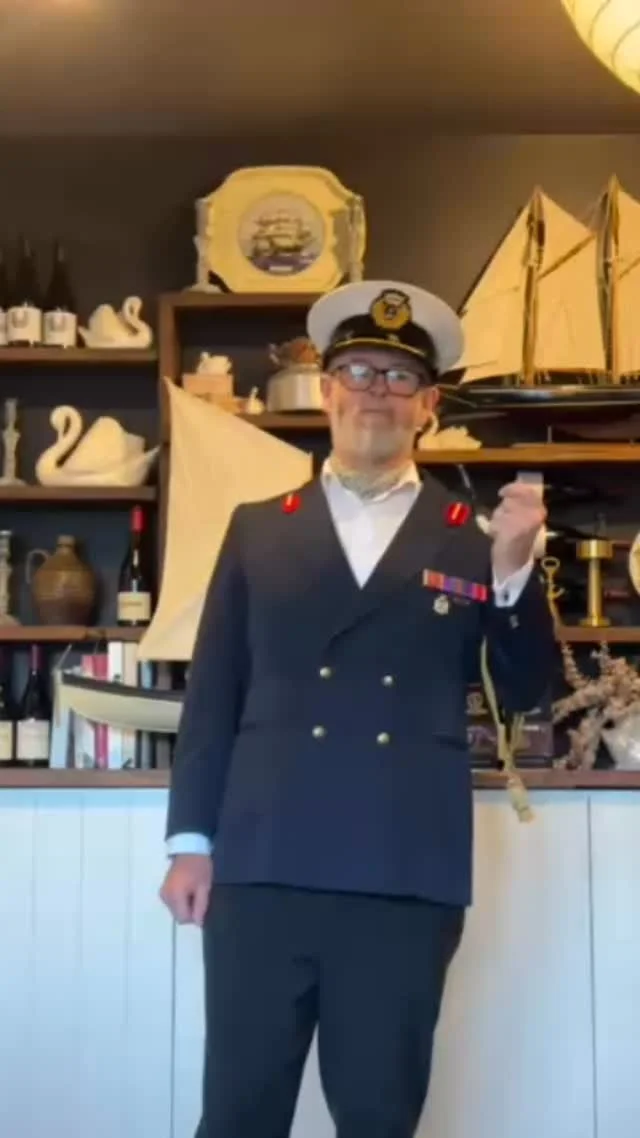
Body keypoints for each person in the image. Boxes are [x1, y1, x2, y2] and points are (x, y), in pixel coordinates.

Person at [159, 278, 556, 1138]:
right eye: (360, 372)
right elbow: (215, 693)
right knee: (237, 1114)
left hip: (402, 869)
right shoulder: (259, 527)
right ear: (329, 392)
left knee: (378, 1116)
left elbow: (528, 688)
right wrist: (190, 843)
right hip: (263, 864)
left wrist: (516, 572)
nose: (379, 391)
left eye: (400, 377)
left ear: (428, 406)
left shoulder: (475, 536)